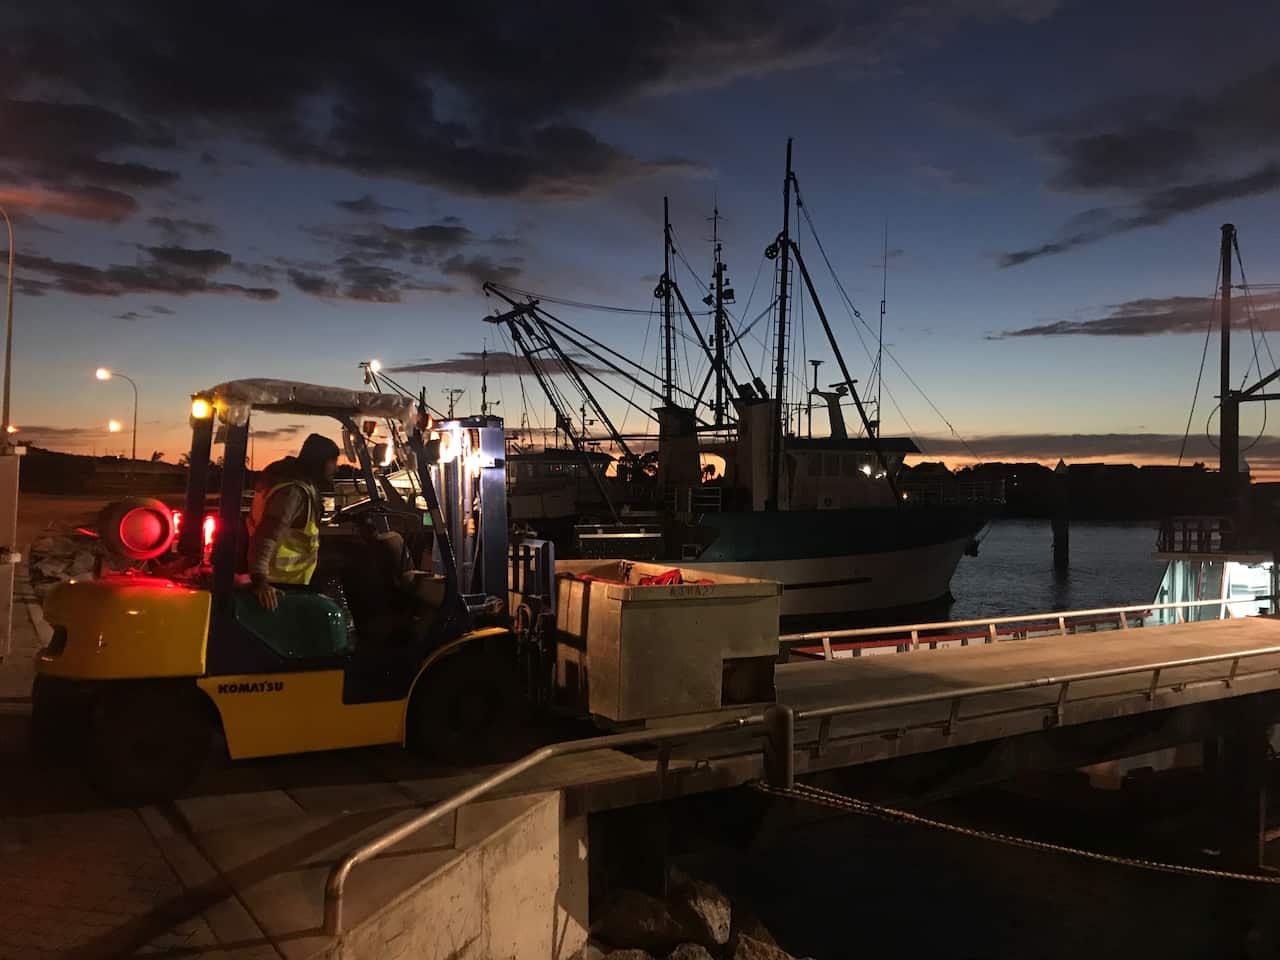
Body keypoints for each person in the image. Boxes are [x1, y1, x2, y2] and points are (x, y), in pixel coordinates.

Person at [246, 433, 340, 609]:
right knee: (351, 571)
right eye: (333, 461)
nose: (336, 468)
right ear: (320, 462)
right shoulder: (293, 493)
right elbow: (265, 537)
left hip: (289, 577)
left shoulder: (294, 483)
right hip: (283, 581)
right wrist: (260, 582)